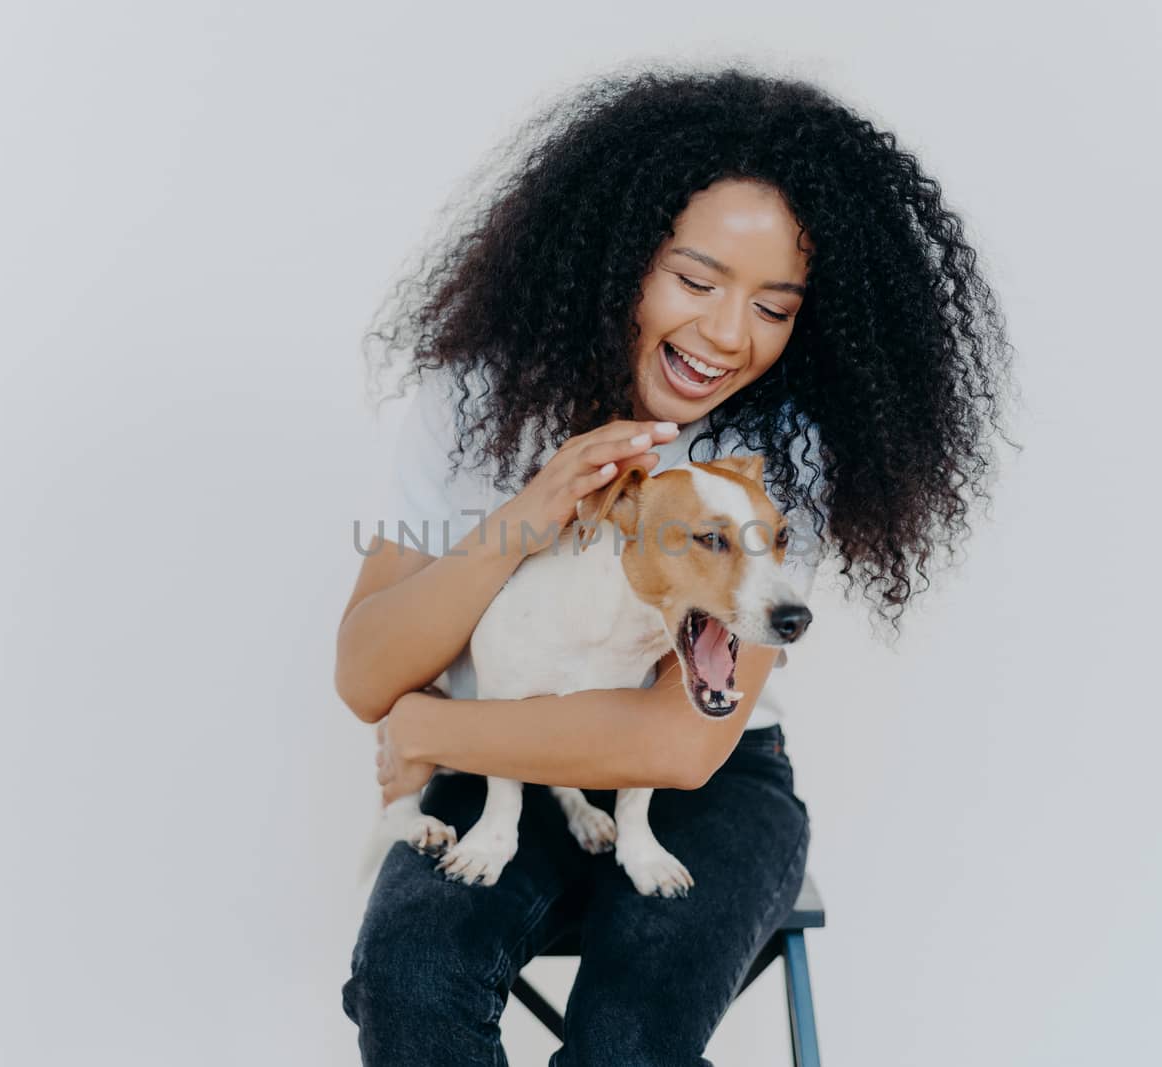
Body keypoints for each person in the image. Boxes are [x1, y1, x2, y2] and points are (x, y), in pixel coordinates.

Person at [335, 64, 1014, 1066]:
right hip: (506, 769)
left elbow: (680, 743)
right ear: (614, 257)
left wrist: (435, 723)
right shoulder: (475, 403)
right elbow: (364, 674)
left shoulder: (783, 452)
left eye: (775, 306)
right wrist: (533, 512)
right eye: (695, 281)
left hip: (701, 773)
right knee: (408, 983)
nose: (728, 334)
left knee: (631, 1042)